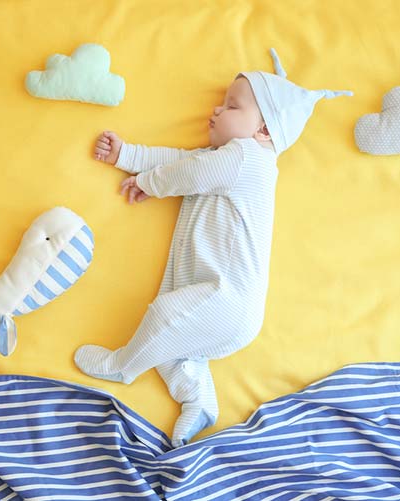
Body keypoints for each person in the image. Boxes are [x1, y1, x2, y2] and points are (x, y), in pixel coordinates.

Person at [76, 48, 352, 447]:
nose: (216, 110)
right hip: (218, 304)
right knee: (170, 345)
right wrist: (128, 155)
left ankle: (123, 366)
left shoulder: (248, 158)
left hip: (228, 298)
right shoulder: (224, 156)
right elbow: (182, 159)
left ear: (265, 131)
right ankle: (199, 398)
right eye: (222, 103)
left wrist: (148, 183)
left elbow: (186, 172)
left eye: (232, 106)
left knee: (163, 319)